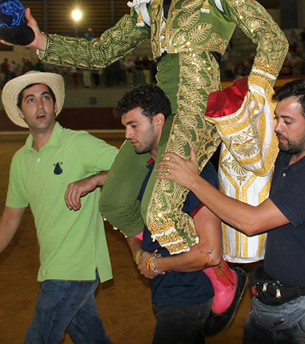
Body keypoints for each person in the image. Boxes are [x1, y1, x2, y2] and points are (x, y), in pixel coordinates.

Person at [8, 0, 287, 254]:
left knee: (158, 211)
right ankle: (164, 261)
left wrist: (257, 93)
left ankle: (214, 274)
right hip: (158, 111)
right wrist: (40, 42)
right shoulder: (150, 6)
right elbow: (101, 52)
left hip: (198, 108)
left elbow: (272, 38)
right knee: (114, 202)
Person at [160, 79, 305, 343]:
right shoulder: (287, 156)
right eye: (276, 118)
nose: (277, 128)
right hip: (268, 302)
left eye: (287, 121)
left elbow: (252, 222)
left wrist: (193, 180)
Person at [66, 84, 246, 342]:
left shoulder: (194, 173)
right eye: (125, 126)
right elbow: (137, 231)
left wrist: (156, 264)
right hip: (166, 293)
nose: (127, 135)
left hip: (189, 294)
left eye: (134, 125)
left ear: (159, 121)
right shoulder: (148, 172)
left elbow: (209, 252)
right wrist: (138, 252)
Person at [0, 71, 118, 344]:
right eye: (30, 100)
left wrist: (95, 179)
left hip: (72, 269)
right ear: (21, 112)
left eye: (46, 97)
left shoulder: (78, 143)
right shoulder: (20, 160)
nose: (40, 105)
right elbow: (10, 218)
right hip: (54, 268)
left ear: (55, 106)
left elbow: (132, 166)